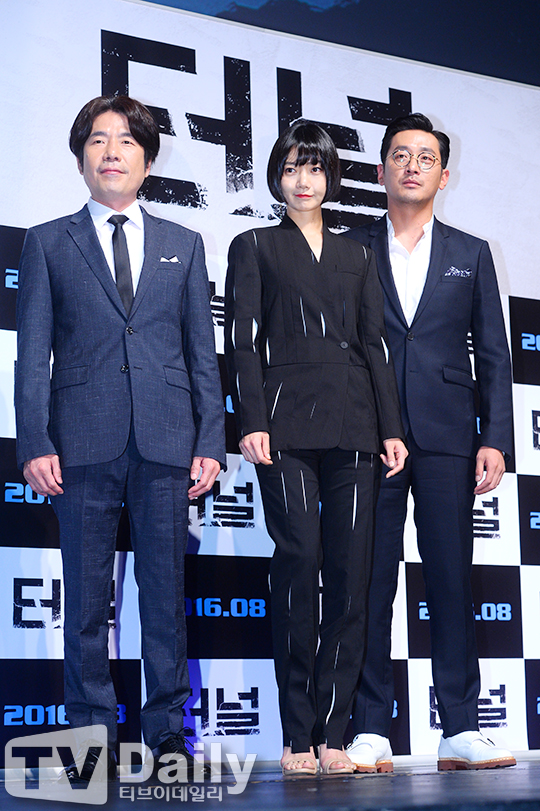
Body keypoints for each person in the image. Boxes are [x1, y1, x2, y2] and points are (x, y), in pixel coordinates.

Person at [15, 95, 226, 781]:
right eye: (99, 140)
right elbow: (32, 354)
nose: (112, 151)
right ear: (81, 157)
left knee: (164, 599)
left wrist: (210, 439)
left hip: (167, 440)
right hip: (80, 440)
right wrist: (33, 439)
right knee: (85, 601)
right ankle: (91, 739)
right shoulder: (48, 241)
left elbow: (201, 354)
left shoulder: (183, 244)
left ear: (148, 160)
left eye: (127, 140)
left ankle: (167, 735)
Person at [224, 120, 408, 776]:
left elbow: (375, 345)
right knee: (300, 562)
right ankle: (296, 734)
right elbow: (242, 341)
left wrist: (391, 427)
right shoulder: (253, 245)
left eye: (315, 168)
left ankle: (335, 732)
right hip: (284, 427)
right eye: (291, 168)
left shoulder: (358, 255)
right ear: (277, 176)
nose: (303, 180)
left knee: (352, 576)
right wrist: (250, 419)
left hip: (355, 424)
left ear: (331, 176)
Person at [345, 113, 515, 772]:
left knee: (450, 582)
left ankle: (460, 728)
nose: (411, 165)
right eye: (400, 154)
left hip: (448, 435)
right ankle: (369, 728)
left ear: (444, 175)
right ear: (381, 170)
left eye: (425, 157)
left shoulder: (471, 253)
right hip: (371, 435)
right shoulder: (351, 248)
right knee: (368, 583)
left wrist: (493, 436)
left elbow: (494, 354)